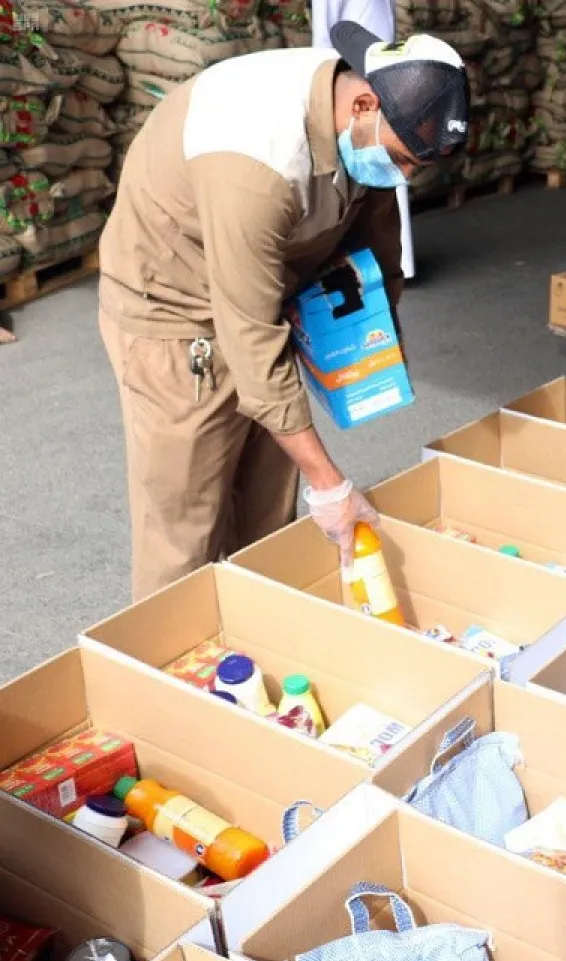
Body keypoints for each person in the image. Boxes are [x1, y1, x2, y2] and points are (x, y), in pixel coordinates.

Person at [98, 23, 469, 600]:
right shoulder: (256, 164)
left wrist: (376, 335)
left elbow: (376, 239)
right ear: (366, 104)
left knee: (267, 511)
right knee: (189, 524)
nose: (405, 176)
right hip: (176, 315)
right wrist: (330, 485)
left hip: (261, 291)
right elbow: (249, 341)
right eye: (403, 159)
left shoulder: (360, 122)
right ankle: (171, 676)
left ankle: (260, 635)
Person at [312, 0, 417, 280]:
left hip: (353, 73)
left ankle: (383, 262)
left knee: (379, 162)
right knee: (382, 163)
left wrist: (321, 80)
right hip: (373, 68)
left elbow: (323, 34)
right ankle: (394, 263)